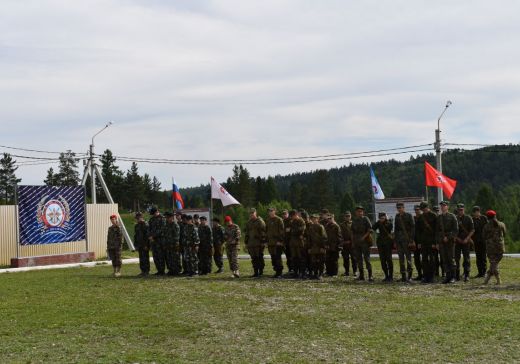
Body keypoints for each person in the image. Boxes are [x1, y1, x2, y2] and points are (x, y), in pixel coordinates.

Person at [436, 201, 458, 284]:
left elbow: (455, 230)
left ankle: (453, 277)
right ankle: (447, 276)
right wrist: (438, 241)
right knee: (444, 259)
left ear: (447, 207)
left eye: (444, 206)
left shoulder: (452, 216)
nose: (442, 207)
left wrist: (448, 237)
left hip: (450, 241)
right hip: (442, 241)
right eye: (441, 206)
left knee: (451, 259)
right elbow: (437, 231)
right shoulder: (439, 217)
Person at [483, 210, 507, 285]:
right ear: (495, 216)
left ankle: (497, 280)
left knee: (493, 264)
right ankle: (487, 280)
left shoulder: (486, 226)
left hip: (490, 248)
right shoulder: (501, 224)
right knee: (494, 263)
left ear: (487, 217)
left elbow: (483, 237)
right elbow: (505, 234)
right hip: (500, 247)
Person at [416, 202, 438, 283]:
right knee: (424, 260)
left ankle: (432, 276)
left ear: (428, 207)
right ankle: (425, 276)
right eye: (422, 209)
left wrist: (435, 242)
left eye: (424, 208)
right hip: (423, 241)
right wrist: (419, 242)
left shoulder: (434, 215)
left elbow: (436, 230)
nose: (423, 210)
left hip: (431, 241)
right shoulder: (420, 217)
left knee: (432, 259)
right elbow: (418, 231)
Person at [394, 202, 415, 282]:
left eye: (401, 208)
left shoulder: (409, 216)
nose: (399, 209)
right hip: (399, 240)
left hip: (407, 240)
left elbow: (413, 228)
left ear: (403, 208)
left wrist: (411, 240)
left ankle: (409, 276)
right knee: (401, 259)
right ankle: (403, 276)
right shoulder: (397, 216)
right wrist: (395, 241)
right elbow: (395, 229)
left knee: (408, 258)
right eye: (398, 208)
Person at [351, 206, 373, 281]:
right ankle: (362, 276)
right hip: (357, 242)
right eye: (358, 211)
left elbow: (370, 229)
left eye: (361, 211)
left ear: (363, 212)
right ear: (356, 212)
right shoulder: (354, 220)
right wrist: (353, 242)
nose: (359, 212)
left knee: (367, 259)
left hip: (365, 242)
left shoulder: (365, 219)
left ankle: (370, 276)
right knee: (359, 259)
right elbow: (352, 232)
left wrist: (364, 237)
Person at [455, 203, 475, 282]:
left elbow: (472, 230)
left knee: (466, 259)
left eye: (461, 210)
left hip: (466, 241)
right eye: (459, 210)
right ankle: (456, 275)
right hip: (457, 241)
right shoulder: (455, 218)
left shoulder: (468, 218)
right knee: (456, 258)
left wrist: (467, 238)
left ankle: (467, 275)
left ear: (464, 209)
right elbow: (452, 230)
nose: (460, 211)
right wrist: (457, 238)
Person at [245, 208, 267, 277]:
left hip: (259, 243)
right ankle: (255, 272)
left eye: (252, 213)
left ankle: (261, 271)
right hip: (251, 243)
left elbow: (264, 232)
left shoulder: (260, 221)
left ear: (255, 213)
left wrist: (263, 242)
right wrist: (246, 242)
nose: (251, 214)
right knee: (253, 258)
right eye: (250, 213)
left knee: (259, 257)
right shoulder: (249, 222)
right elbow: (247, 233)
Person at [373, 212, 394, 282]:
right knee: (382, 260)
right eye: (380, 218)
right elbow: (373, 228)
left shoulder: (389, 223)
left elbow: (389, 228)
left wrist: (383, 222)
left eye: (383, 217)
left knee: (389, 259)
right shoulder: (378, 222)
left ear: (385, 217)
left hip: (388, 243)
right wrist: (378, 222)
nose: (381, 219)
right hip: (380, 243)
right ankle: (386, 276)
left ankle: (390, 276)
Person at [266, 207, 285, 278]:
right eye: (269, 211)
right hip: (270, 242)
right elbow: (266, 231)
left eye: (271, 211)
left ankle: (279, 272)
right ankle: (276, 271)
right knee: (273, 257)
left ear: (275, 211)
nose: (270, 212)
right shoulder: (268, 220)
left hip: (277, 242)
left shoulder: (279, 219)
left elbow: (282, 231)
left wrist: (280, 241)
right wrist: (266, 241)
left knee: (278, 257)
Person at [307, 214, 327, 279]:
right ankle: (315, 274)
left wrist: (323, 247)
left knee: (320, 261)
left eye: (315, 218)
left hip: (319, 247)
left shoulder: (321, 227)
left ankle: (320, 274)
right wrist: (309, 248)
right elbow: (309, 239)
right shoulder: (310, 227)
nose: (314, 219)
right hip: (313, 247)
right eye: (312, 218)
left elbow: (324, 238)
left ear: (317, 219)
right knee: (313, 262)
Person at [148, 207, 166, 276]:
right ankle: (158, 270)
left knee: (160, 256)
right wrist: (150, 236)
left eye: (154, 213)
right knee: (155, 256)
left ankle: (162, 271)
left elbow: (162, 229)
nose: (153, 215)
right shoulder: (151, 219)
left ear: (157, 211)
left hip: (160, 241)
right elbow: (149, 229)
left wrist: (153, 236)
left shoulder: (162, 219)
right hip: (153, 241)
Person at [289, 210, 307, 278]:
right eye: (291, 216)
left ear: (296, 214)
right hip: (293, 243)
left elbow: (301, 230)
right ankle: (295, 272)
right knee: (294, 258)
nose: (292, 217)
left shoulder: (301, 221)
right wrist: (293, 231)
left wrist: (293, 231)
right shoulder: (292, 221)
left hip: (299, 243)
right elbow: (289, 231)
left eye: (293, 216)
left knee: (301, 258)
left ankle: (302, 273)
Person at [472, 206, 488, 278]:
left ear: (479, 211)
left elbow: (487, 228)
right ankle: (480, 272)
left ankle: (484, 272)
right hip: (476, 240)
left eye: (477, 211)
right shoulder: (472, 220)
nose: (476, 213)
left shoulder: (484, 218)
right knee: (478, 257)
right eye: (475, 212)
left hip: (483, 240)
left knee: (483, 257)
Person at [339, 211, 357, 277]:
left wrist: (353, 242)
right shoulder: (341, 225)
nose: (347, 217)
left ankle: (355, 271)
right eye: (346, 216)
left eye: (348, 216)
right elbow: (340, 234)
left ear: (351, 216)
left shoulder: (354, 224)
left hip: (352, 244)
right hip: (345, 244)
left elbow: (355, 234)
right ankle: (346, 271)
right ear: (344, 217)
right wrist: (343, 242)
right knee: (345, 259)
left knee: (354, 259)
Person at [163, 211, 181, 276]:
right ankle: (171, 270)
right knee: (169, 258)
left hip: (174, 245)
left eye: (168, 217)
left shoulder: (175, 225)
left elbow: (177, 235)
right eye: (166, 218)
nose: (167, 219)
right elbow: (165, 235)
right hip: (168, 244)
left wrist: (176, 244)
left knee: (175, 258)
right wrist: (165, 243)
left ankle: (177, 271)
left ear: (171, 217)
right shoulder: (166, 225)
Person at [134, 212, 150, 276]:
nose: (137, 219)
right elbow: (136, 236)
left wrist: (146, 245)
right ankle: (142, 270)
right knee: (141, 258)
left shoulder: (145, 225)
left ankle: (146, 271)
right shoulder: (137, 225)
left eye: (138, 218)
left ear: (141, 217)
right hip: (139, 244)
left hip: (144, 244)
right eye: (137, 218)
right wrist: (135, 244)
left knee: (145, 258)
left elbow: (147, 235)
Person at [412, 205, 423, 281]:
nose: (417, 211)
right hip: (415, 241)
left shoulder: (423, 218)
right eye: (415, 210)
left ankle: (426, 274)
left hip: (423, 241)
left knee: (425, 259)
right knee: (416, 259)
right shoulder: (413, 219)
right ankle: (420, 274)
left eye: (418, 209)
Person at [282, 209, 294, 275]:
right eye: (283, 214)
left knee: (292, 256)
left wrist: (289, 230)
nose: (284, 215)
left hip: (291, 241)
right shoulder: (282, 221)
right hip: (285, 241)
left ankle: (293, 269)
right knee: (288, 256)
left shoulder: (291, 221)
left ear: (288, 214)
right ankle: (290, 268)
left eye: (285, 214)